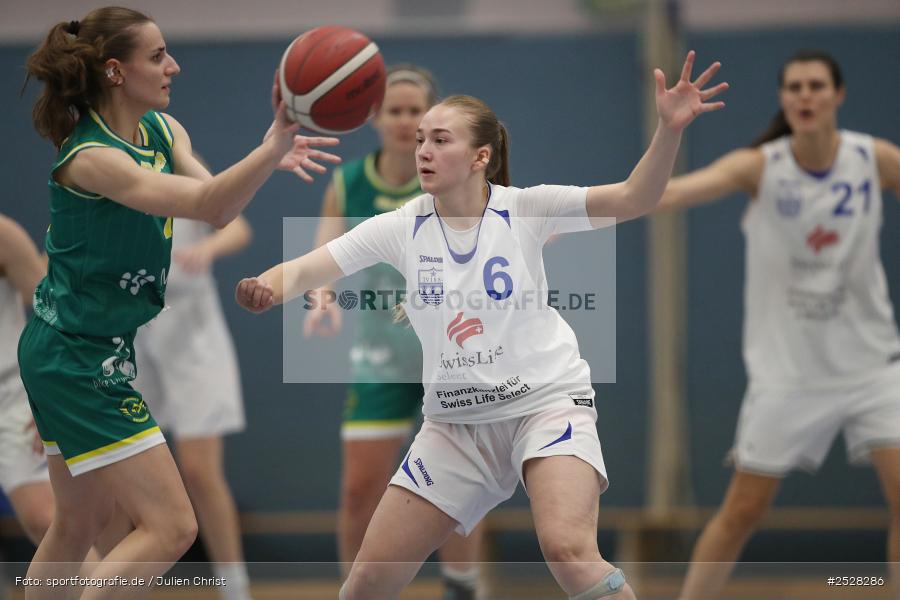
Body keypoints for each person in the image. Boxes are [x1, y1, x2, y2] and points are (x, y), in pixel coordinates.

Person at [238, 51, 727, 600]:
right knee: (368, 582)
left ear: (480, 157)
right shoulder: (402, 226)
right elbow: (313, 265)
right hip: (455, 426)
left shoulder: (527, 208)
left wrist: (667, 129)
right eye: (421, 138)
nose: (423, 149)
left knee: (567, 549)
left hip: (544, 404)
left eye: (440, 139)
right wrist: (268, 285)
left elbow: (636, 197)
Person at [19, 7, 339, 599]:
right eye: (159, 55)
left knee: (77, 525)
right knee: (172, 526)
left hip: (87, 349)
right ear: (115, 71)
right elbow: (212, 207)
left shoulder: (164, 133)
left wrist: (265, 161)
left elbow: (219, 203)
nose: (175, 66)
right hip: (74, 357)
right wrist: (269, 150)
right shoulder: (92, 158)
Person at [657, 50, 900, 600]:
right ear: (783, 99)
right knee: (743, 510)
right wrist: (585, 203)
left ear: (837, 95)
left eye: (816, 86)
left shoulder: (874, 158)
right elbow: (670, 193)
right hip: (788, 375)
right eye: (794, 87)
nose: (804, 96)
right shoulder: (763, 165)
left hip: (873, 366)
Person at [303, 63, 485, 598]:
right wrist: (320, 299)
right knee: (361, 490)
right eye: (394, 111)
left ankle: (463, 586)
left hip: (452, 358)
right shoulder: (348, 182)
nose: (405, 121)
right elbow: (322, 258)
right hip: (381, 359)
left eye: (415, 112)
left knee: (460, 494)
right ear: (374, 117)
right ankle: (358, 590)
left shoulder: (459, 180)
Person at [132, 214, 254, 600]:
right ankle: (117, 586)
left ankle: (235, 589)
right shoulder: (104, 164)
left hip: (191, 328)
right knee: (124, 480)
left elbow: (238, 228)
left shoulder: (180, 162)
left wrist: (207, 247)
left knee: (200, 472)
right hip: (129, 327)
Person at [0, 215, 52, 547]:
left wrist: (50, 395)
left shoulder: (3, 234)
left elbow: (54, 311)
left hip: (10, 395)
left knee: (45, 520)